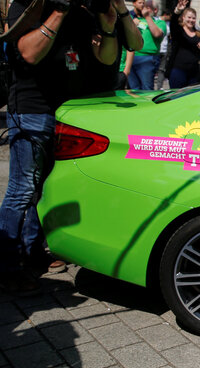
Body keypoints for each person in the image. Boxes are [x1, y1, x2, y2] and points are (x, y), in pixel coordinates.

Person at [0, 0, 130, 292]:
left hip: (64, 114)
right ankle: (6, 266)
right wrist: (58, 11)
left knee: (44, 188)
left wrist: (108, 29)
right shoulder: (27, 5)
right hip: (31, 111)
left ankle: (32, 253)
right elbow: (29, 54)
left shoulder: (83, 13)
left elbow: (106, 60)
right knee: (22, 191)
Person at [169, 0, 200, 88]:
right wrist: (178, 10)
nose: (191, 20)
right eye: (189, 17)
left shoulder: (199, 35)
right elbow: (173, 22)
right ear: (183, 18)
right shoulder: (179, 31)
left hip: (194, 74)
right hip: (178, 71)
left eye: (193, 18)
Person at [130, 0, 166, 90]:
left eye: (148, 8)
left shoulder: (160, 23)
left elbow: (157, 34)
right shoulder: (135, 20)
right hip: (132, 57)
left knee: (147, 89)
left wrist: (147, 17)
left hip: (148, 59)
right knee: (133, 90)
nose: (144, 8)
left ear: (155, 10)